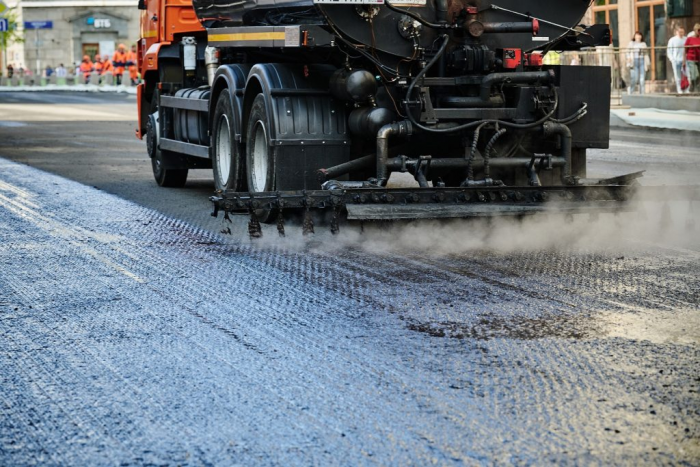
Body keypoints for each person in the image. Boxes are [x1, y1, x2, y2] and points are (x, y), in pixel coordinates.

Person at [668, 27, 687, 93]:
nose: (681, 33)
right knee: (677, 76)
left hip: (684, 60)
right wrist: (672, 59)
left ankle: (686, 89)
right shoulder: (672, 40)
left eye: (682, 32)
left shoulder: (685, 39)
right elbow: (669, 50)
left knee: (685, 75)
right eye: (680, 32)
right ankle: (679, 89)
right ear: (676, 32)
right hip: (676, 60)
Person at [684, 23, 700, 93]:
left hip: (699, 59)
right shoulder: (689, 39)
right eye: (698, 30)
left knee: (698, 76)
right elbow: (685, 50)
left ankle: (696, 89)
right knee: (695, 75)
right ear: (695, 30)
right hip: (691, 59)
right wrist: (683, 61)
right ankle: (693, 87)